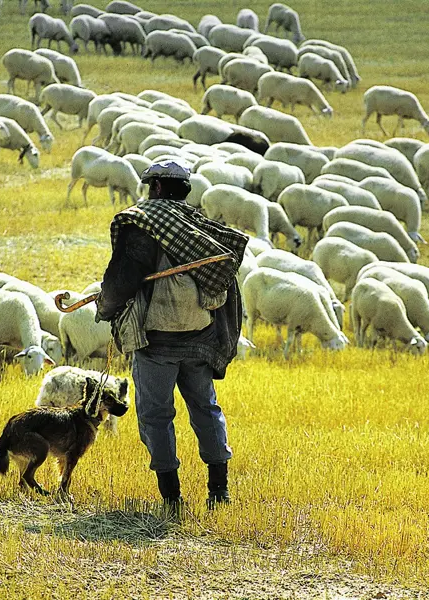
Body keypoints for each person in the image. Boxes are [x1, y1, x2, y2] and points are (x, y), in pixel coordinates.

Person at [95, 160, 248, 510]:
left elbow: (120, 283)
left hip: (157, 342)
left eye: (152, 187)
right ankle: (219, 489)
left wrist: (105, 308)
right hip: (200, 337)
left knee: (155, 415)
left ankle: (172, 497)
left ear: (158, 188)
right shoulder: (201, 228)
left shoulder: (143, 225)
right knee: (206, 408)